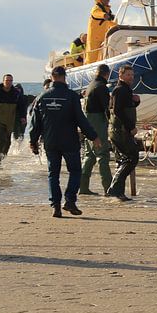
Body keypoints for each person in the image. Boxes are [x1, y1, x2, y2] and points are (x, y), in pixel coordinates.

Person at [28, 66, 100, 217]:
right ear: (64, 77)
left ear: (52, 77)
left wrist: (33, 141)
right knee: (75, 171)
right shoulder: (71, 96)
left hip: (50, 141)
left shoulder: (42, 96)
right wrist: (93, 136)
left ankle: (56, 206)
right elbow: (81, 119)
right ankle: (70, 201)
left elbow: (35, 123)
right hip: (69, 141)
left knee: (53, 174)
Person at [105, 65, 140, 201]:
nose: (131, 77)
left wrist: (136, 102)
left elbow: (121, 107)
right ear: (120, 76)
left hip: (116, 130)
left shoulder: (124, 90)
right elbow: (118, 110)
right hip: (121, 131)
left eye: (132, 75)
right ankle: (114, 188)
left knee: (122, 160)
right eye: (128, 75)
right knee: (131, 158)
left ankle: (119, 192)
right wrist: (130, 127)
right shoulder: (121, 90)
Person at [81, 64, 112, 196]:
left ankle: (82, 187)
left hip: (88, 122)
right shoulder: (101, 87)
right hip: (97, 122)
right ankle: (109, 189)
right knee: (102, 155)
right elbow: (106, 108)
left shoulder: (90, 86)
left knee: (90, 156)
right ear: (107, 74)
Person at [0, 74, 27, 164]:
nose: (8, 82)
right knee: (1, 138)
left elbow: (21, 107)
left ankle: (3, 158)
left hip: (9, 120)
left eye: (10, 81)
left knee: (7, 142)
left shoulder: (16, 94)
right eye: (7, 80)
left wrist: (23, 117)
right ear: (3, 81)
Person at [86, 0, 117, 64]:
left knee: (101, 54)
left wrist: (116, 23)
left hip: (103, 36)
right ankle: (88, 65)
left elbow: (110, 22)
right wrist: (104, 15)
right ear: (101, 0)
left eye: (107, 0)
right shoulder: (96, 8)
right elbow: (96, 13)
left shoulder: (108, 11)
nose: (106, 1)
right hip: (94, 37)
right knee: (92, 54)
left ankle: (100, 65)